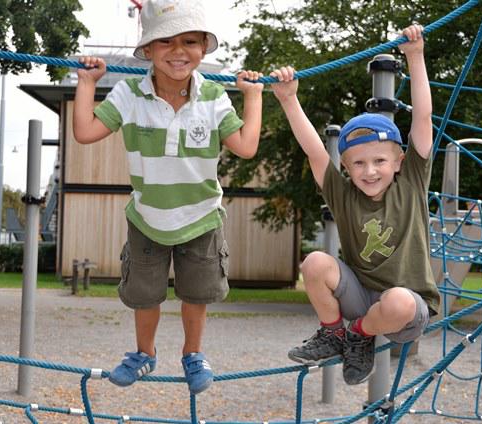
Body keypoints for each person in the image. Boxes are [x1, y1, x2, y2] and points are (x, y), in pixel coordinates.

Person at [72, 0, 263, 395]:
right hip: (147, 217)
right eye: (165, 42)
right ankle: (145, 353)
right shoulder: (129, 94)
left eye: (190, 41)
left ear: (203, 48)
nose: (178, 51)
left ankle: (193, 353)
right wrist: (87, 84)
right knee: (145, 294)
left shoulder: (212, 97)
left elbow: (245, 146)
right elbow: (85, 132)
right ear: (147, 50)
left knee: (197, 293)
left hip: (200, 216)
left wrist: (254, 96)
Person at [270, 24, 440, 385]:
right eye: (358, 164)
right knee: (315, 262)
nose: (370, 171)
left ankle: (358, 335)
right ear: (345, 168)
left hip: (406, 309)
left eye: (380, 161)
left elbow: (422, 118)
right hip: (360, 296)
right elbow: (315, 150)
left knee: (397, 302)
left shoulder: (410, 182)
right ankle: (334, 333)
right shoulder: (343, 193)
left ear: (398, 161)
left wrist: (415, 55)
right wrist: (288, 98)